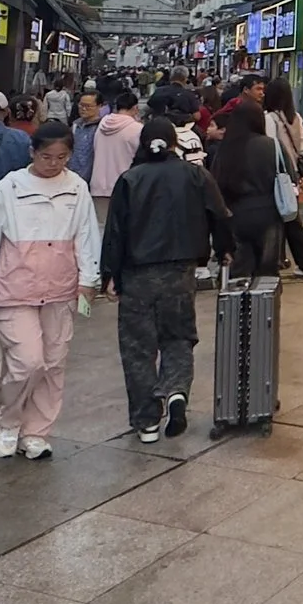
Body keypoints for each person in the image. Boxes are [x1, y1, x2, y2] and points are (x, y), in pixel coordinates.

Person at [0, 118, 103, 459]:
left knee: (54, 362)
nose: (53, 164)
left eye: (61, 157)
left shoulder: (76, 187)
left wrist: (88, 280)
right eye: (47, 157)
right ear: (32, 153)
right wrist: (1, 270)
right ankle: (10, 420)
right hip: (14, 288)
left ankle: (38, 431)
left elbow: (87, 235)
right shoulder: (10, 186)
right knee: (27, 361)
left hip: (60, 287)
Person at [102, 120, 227, 442]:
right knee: (179, 336)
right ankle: (175, 391)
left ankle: (147, 421)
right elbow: (219, 213)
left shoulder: (130, 179)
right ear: (175, 144)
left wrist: (110, 274)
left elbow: (115, 232)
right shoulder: (196, 175)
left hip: (137, 273)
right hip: (181, 271)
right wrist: (224, 249)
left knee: (138, 347)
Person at [213, 99, 285, 284]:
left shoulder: (225, 148)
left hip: (235, 215)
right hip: (268, 213)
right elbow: (288, 176)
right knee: (267, 275)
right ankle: (264, 310)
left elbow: (216, 184)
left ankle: (239, 309)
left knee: (239, 273)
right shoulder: (272, 145)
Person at [262, 77, 303, 277]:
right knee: (291, 217)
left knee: (282, 220)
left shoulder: (269, 119)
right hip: (292, 174)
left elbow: (268, 145)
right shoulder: (295, 117)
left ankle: (287, 262)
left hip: (275, 174)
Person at [88, 92, 145, 229]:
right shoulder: (137, 129)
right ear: (135, 108)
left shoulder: (102, 124)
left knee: (102, 229)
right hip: (124, 186)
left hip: (98, 186)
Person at [68, 87, 103, 180]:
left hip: (92, 178)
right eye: (81, 105)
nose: (83, 109)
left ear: (99, 106)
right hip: (72, 176)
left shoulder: (102, 127)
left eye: (88, 106)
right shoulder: (75, 125)